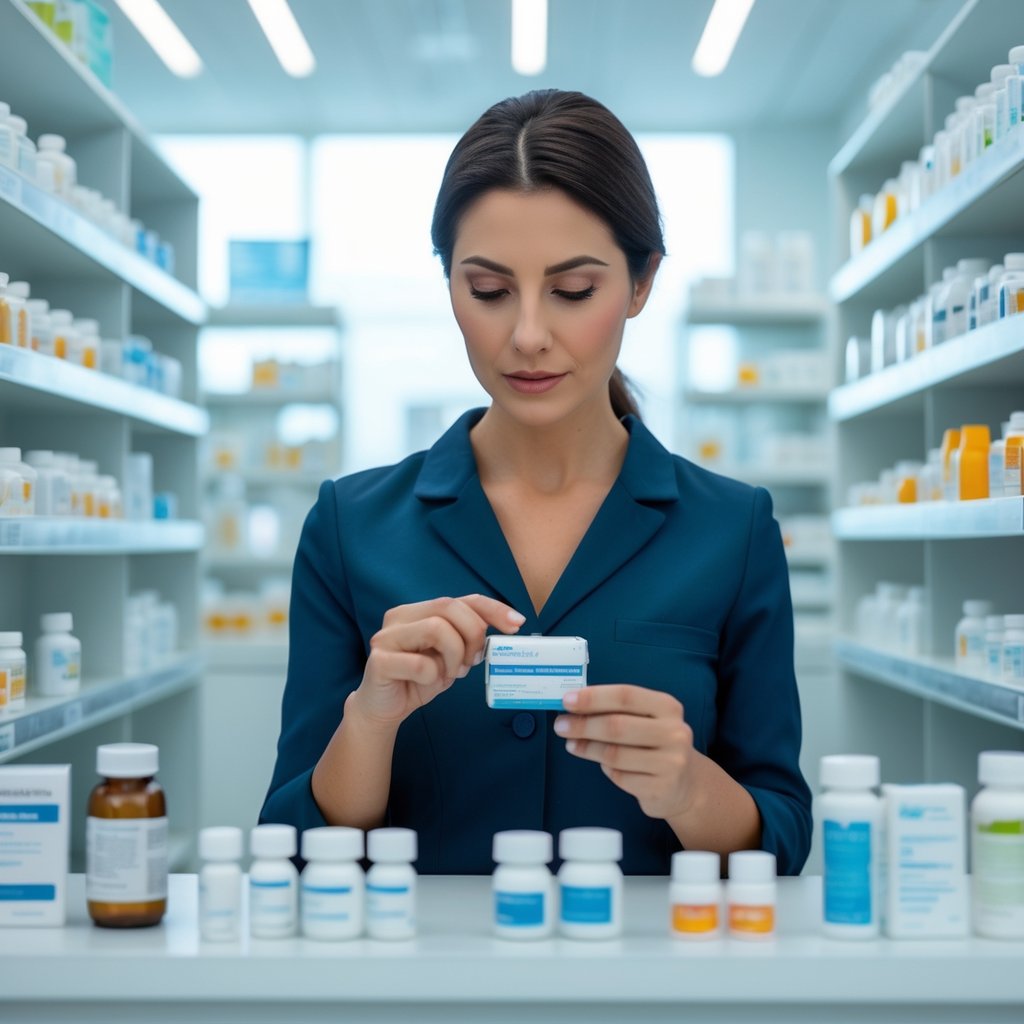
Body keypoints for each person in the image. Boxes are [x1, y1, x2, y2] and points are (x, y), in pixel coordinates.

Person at [261, 89, 812, 875]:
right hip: (424, 986)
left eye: (574, 291)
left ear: (641, 282)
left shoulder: (733, 530)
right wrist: (369, 722)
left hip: (649, 987)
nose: (526, 335)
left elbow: (782, 835)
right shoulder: (351, 526)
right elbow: (291, 838)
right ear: (449, 283)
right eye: (488, 291)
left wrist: (689, 786)